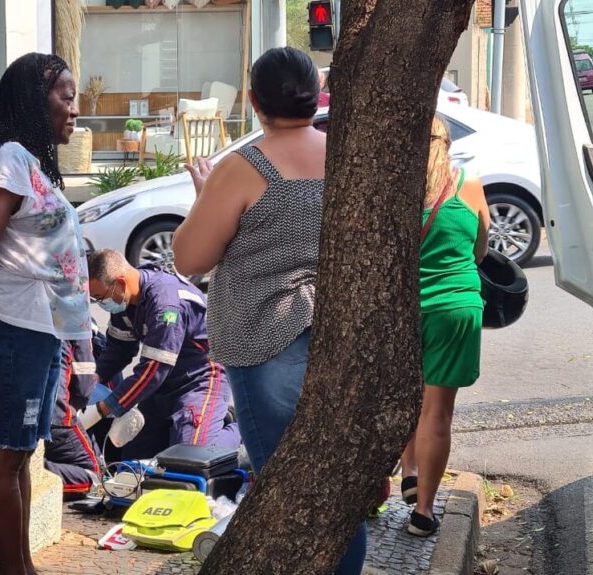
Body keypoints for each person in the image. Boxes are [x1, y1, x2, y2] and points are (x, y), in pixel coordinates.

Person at [170, 47, 366, 574]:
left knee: (288, 493)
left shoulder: (243, 165)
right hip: (339, 336)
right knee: (335, 489)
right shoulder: (346, 153)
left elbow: (189, 257)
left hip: (266, 337)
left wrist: (205, 195)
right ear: (316, 93)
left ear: (255, 101)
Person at [0, 52, 89, 575]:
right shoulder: (8, 157)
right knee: (1, 452)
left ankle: (23, 565)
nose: (74, 111)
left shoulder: (30, 161)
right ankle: (12, 571)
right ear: (35, 100)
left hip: (41, 327)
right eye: (65, 97)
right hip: (13, 324)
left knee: (20, 453)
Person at [399, 115, 490, 537]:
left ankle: (409, 469)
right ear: (447, 143)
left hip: (402, 311)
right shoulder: (467, 184)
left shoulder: (394, 187)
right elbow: (482, 245)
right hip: (455, 309)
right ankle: (423, 512)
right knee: (437, 412)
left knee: (403, 401)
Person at [79, 249, 240, 460]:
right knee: (133, 460)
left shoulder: (166, 303)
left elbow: (154, 368)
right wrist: (92, 380)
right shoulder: (125, 303)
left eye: (100, 297)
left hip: (199, 381)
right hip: (161, 387)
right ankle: (199, 426)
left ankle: (240, 431)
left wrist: (105, 408)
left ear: (121, 282)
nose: (101, 303)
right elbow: (118, 350)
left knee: (190, 457)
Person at [44, 337, 105, 500]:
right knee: (93, 478)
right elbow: (83, 389)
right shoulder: (74, 321)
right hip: (55, 418)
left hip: (12, 412)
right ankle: (27, 472)